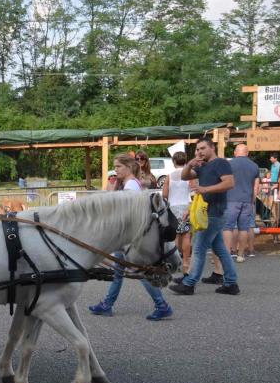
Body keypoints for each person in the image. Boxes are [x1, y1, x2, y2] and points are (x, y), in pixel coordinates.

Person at [89, 154, 173, 321]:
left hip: (129, 238)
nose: (116, 170)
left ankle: (162, 305)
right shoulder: (129, 184)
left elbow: (125, 213)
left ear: (128, 167)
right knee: (118, 271)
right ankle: (107, 304)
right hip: (126, 238)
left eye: (118, 166)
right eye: (115, 166)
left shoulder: (131, 186)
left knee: (139, 272)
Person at [169, 137, 240, 296]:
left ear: (212, 147)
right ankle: (231, 283)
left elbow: (229, 183)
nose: (199, 152)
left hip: (214, 212)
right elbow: (184, 177)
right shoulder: (203, 165)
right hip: (208, 212)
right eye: (197, 149)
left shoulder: (221, 163)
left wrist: (205, 189)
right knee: (220, 249)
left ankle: (189, 284)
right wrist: (189, 164)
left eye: (202, 148)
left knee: (198, 248)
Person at [223, 144, 259, 263]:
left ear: (235, 153)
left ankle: (227, 254)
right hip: (247, 200)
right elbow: (256, 187)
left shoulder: (229, 164)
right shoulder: (254, 166)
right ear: (247, 153)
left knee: (228, 227)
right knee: (244, 228)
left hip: (231, 199)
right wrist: (252, 201)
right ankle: (240, 255)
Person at [163, 151, 192, 279]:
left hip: (173, 207)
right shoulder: (190, 175)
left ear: (174, 161)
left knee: (175, 236)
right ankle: (186, 262)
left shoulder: (169, 176)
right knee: (186, 236)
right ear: (185, 161)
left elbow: (164, 194)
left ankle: (176, 260)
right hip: (186, 206)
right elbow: (194, 192)